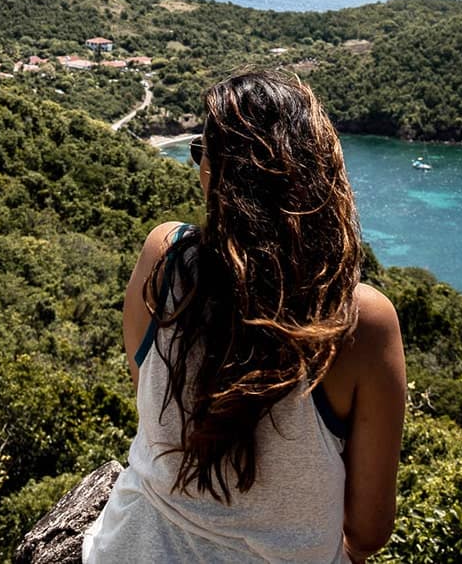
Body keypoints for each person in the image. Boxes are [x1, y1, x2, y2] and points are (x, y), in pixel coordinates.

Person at [83, 70, 406, 564]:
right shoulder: (359, 321)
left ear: (217, 174)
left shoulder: (166, 260)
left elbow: (150, 406)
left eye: (200, 154)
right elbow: (367, 531)